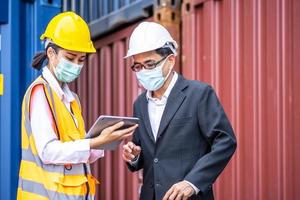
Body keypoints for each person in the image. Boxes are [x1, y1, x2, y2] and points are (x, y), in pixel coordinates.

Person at [17, 12, 138, 200]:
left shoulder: (71, 99)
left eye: (81, 60)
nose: (76, 65)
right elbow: (48, 152)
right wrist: (94, 142)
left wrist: (105, 141)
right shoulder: (40, 92)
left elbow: (77, 154)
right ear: (51, 53)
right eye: (71, 57)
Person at [122, 22, 237, 200]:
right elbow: (150, 156)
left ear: (170, 60)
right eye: (138, 66)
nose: (143, 71)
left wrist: (192, 182)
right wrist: (134, 156)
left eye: (150, 64)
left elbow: (225, 141)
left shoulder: (199, 94)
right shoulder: (140, 104)